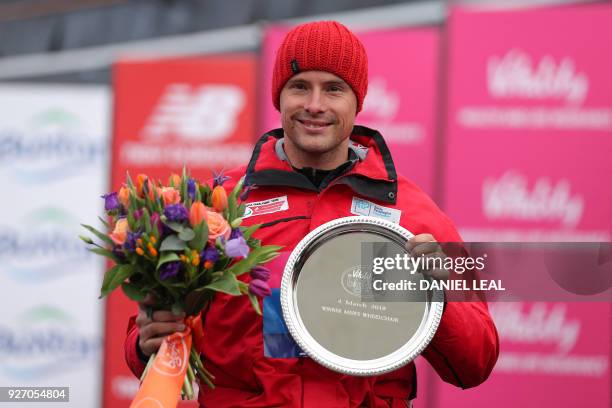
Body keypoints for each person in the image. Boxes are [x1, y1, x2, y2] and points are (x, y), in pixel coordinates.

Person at [125, 20, 499, 407]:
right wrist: (146, 340)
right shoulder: (220, 207)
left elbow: (475, 364)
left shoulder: (409, 214)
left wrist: (437, 294)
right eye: (299, 86)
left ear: (358, 101)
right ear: (279, 97)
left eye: (334, 88)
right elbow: (152, 337)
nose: (315, 104)